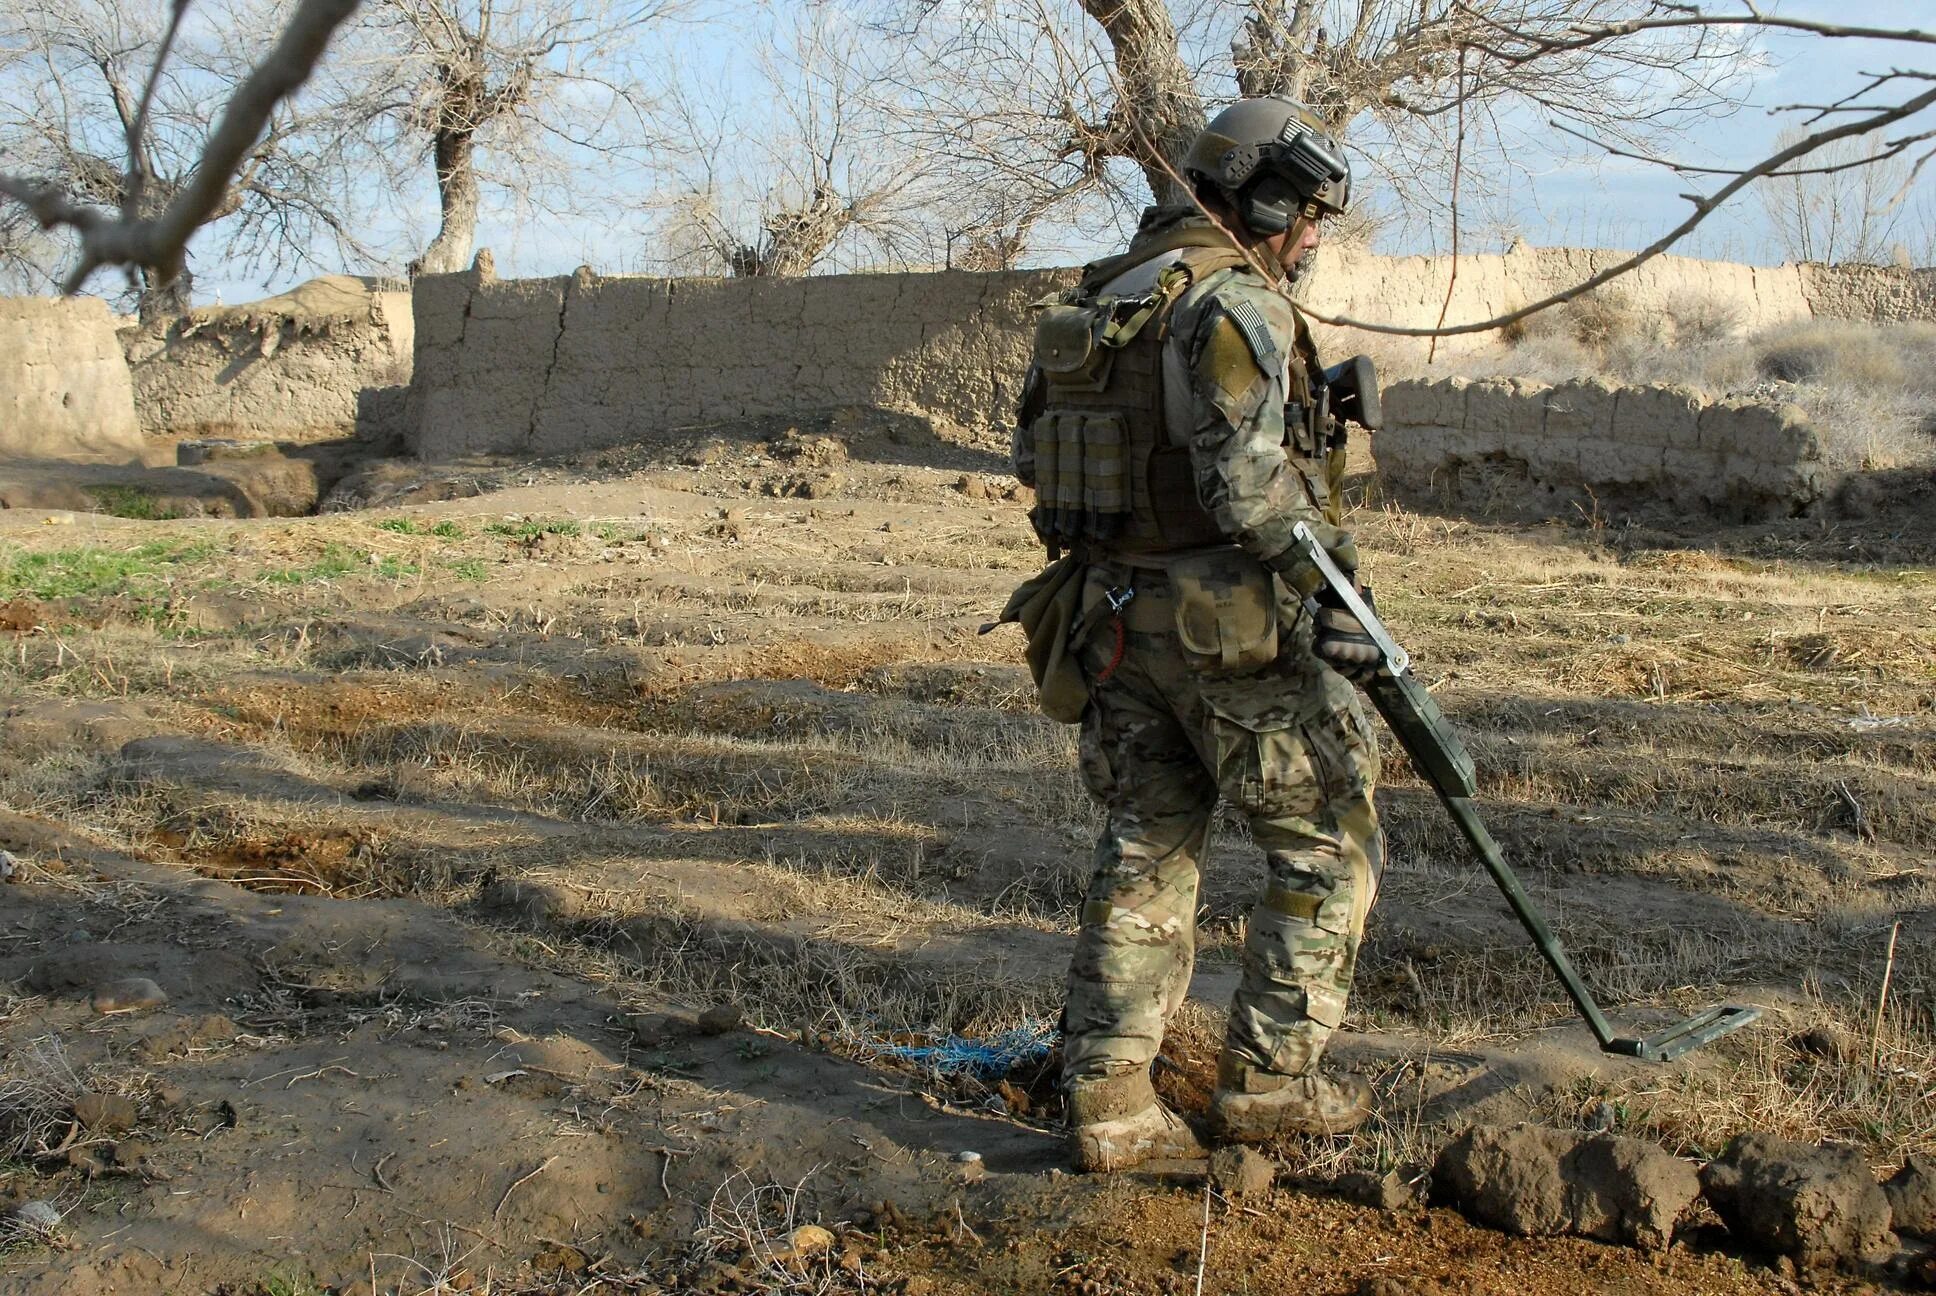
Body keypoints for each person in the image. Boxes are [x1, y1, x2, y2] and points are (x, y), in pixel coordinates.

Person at [1008, 97, 1387, 1172]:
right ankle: (1268, 1086)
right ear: (1258, 200)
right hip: (1233, 636)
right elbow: (1249, 494)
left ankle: (1109, 1102)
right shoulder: (1234, 306)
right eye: (1303, 215)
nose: (1309, 238)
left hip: (1112, 622)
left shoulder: (1101, 296)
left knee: (1146, 847)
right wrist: (1339, 598)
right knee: (1327, 844)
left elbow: (1034, 462)